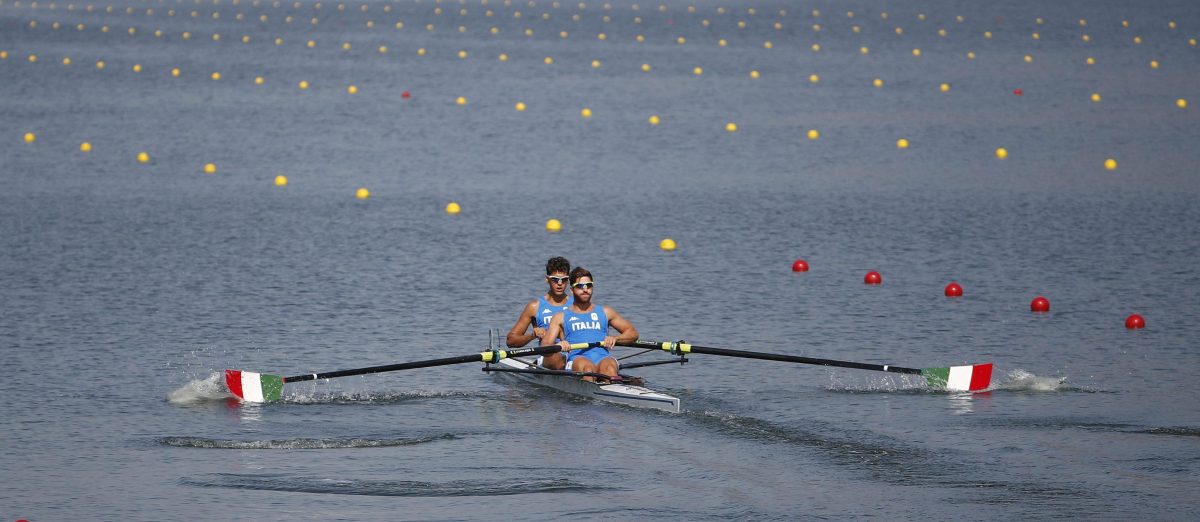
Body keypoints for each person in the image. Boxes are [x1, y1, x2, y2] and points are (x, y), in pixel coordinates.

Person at [540, 267, 638, 380]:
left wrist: (616, 338)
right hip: (577, 358)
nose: (585, 290)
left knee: (610, 369)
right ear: (572, 290)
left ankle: (613, 392)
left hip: (603, 357)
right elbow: (545, 346)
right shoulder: (560, 317)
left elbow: (633, 333)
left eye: (589, 285)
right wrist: (558, 346)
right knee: (588, 369)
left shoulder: (606, 312)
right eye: (580, 286)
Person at [506, 257, 573, 364]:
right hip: (549, 356)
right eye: (555, 279)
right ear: (547, 279)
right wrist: (532, 335)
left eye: (563, 279)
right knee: (557, 358)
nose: (560, 283)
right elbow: (510, 341)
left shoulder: (576, 304)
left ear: (568, 280)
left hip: (573, 354)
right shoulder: (535, 306)